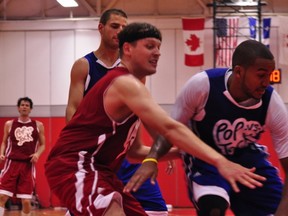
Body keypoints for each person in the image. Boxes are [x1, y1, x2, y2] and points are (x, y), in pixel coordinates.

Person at [45, 22, 265, 216]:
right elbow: (170, 128)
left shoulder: (135, 87)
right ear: (128, 49)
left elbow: (133, 151)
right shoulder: (124, 83)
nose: (157, 52)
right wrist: (221, 161)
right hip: (75, 165)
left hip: (101, 170)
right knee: (112, 211)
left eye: (159, 47)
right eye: (150, 46)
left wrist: (182, 152)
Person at [125, 40, 288, 216]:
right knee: (213, 207)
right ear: (239, 71)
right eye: (261, 75)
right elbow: (171, 128)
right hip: (206, 159)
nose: (267, 82)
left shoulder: (272, 103)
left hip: (248, 161)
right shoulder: (203, 85)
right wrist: (152, 159)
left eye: (269, 75)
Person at [65, 8, 170, 215]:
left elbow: (136, 117)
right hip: (95, 157)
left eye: (124, 27)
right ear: (101, 28)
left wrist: (156, 152)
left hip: (123, 156)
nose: (120, 32)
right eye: (115, 26)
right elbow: (73, 111)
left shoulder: (135, 71)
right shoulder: (84, 66)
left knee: (157, 210)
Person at [0, 97, 46, 216]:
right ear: (18, 108)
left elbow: (43, 145)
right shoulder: (9, 124)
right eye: (22, 105)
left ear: (30, 109)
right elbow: (4, 142)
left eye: (27, 105)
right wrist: (2, 153)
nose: (24, 106)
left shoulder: (38, 125)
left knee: (25, 201)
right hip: (11, 164)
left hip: (27, 165)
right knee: (2, 196)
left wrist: (37, 154)